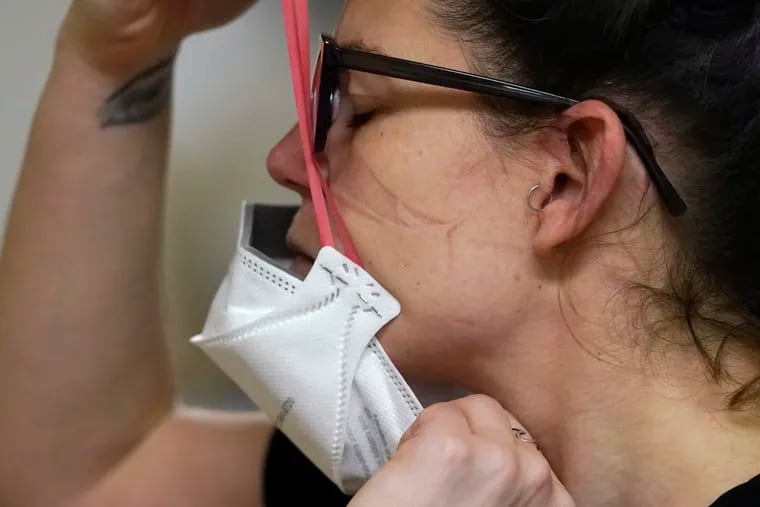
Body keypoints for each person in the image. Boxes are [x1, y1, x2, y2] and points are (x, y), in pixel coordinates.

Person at [2, 0, 760, 505]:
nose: (288, 159)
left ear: (565, 176)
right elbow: (83, 479)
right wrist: (112, 55)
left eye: (354, 106)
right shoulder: (451, 467)